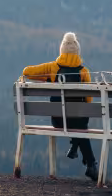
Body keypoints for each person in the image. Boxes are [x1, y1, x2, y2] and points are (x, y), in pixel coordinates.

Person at [22, 32, 98, 181]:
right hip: (78, 121)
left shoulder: (52, 68)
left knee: (77, 122)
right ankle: (89, 162)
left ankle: (80, 151)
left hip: (58, 120)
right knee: (82, 120)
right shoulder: (84, 72)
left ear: (61, 50)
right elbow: (89, 100)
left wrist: (48, 78)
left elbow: (27, 72)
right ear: (78, 51)